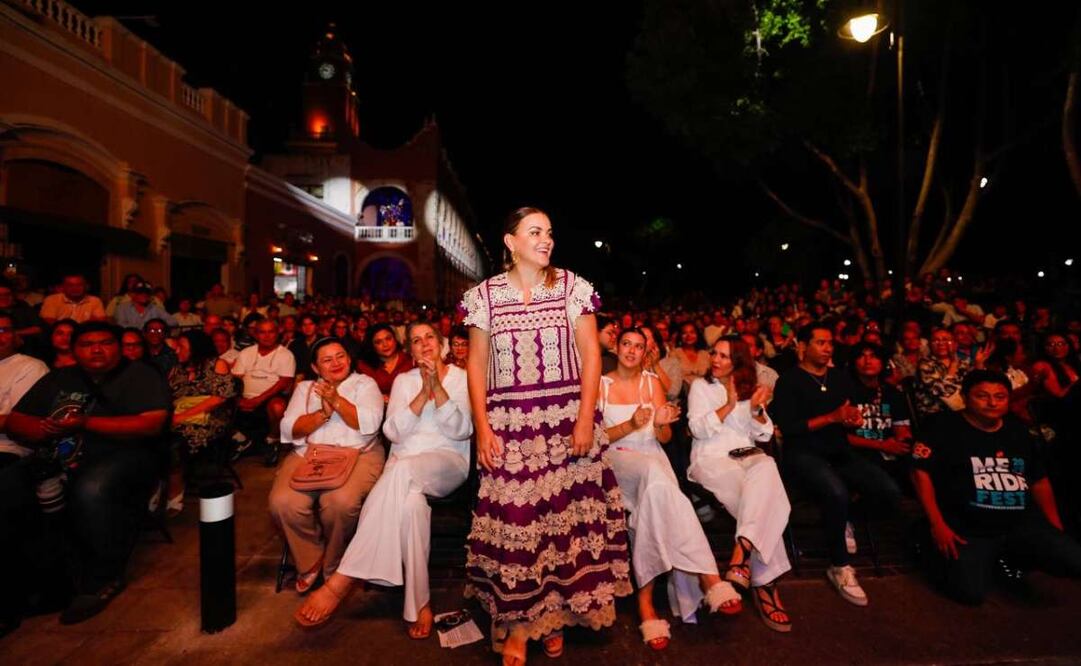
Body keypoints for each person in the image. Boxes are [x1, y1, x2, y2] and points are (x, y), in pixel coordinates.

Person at [460, 207, 631, 665]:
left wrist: (583, 419)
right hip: (510, 427)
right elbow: (476, 365)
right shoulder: (484, 297)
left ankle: (553, 619)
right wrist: (482, 427)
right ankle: (518, 625)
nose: (546, 239)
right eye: (535, 232)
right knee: (519, 525)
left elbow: (592, 357)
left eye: (550, 232)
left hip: (566, 423)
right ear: (510, 242)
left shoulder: (573, 287)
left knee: (564, 527)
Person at [295, 323, 472, 638]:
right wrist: (422, 395)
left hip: (447, 462)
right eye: (416, 340)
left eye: (430, 337)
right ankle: (419, 604)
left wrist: (439, 390)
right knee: (410, 508)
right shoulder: (404, 381)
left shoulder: (463, 378)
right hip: (403, 465)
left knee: (401, 473)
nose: (424, 343)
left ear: (443, 344)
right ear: (410, 350)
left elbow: (461, 430)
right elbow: (392, 432)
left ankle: (342, 579)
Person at [4, 321, 170, 624]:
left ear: (118, 346)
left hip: (125, 454)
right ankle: (37, 580)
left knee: (91, 489)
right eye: (87, 344)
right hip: (56, 455)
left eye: (105, 342)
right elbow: (16, 419)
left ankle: (102, 576)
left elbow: (151, 423)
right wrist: (41, 429)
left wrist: (85, 424)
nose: (96, 349)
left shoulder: (141, 375)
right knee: (10, 486)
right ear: (74, 349)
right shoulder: (60, 378)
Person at [601, 329, 732, 650]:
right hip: (615, 462)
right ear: (616, 348)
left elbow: (665, 440)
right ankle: (708, 576)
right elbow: (593, 440)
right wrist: (631, 425)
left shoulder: (651, 382)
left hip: (652, 459)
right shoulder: (601, 385)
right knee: (662, 485)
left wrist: (660, 423)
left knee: (658, 491)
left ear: (646, 352)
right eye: (626, 345)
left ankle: (645, 603)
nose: (631, 351)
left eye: (638, 347)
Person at [912, 370, 1081, 605]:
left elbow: (1039, 480)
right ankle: (934, 547)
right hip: (967, 527)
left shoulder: (1018, 432)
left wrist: (1054, 525)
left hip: (1019, 523)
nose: (992, 402)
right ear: (964, 396)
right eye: (982, 396)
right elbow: (920, 473)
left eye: (1000, 397)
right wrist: (937, 524)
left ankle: (1008, 560)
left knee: (1072, 560)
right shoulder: (942, 426)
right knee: (970, 593)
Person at [771, 323, 901, 607]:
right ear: (803, 347)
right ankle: (839, 566)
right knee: (836, 492)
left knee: (888, 491)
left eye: (830, 342)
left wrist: (852, 418)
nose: (827, 347)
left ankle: (845, 518)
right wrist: (832, 417)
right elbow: (790, 428)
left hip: (839, 450)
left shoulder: (840, 378)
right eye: (820, 342)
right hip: (803, 454)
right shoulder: (789, 381)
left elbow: (849, 411)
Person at [687, 336, 792, 632]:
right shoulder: (700, 387)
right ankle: (766, 587)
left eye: (724, 356)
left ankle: (742, 551)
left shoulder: (749, 389)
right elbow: (697, 428)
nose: (716, 360)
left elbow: (763, 434)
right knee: (765, 502)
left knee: (767, 466)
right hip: (712, 461)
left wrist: (757, 409)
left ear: (739, 362)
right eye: (714, 354)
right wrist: (730, 405)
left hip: (748, 458)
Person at [270, 338, 385, 595]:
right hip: (309, 455)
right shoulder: (305, 389)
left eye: (340, 356)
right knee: (282, 502)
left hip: (359, 453)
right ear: (315, 367)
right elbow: (290, 428)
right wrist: (323, 413)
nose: (336, 363)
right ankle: (310, 559)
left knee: (340, 503)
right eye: (327, 359)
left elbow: (369, 424)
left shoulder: (365, 384)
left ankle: (335, 566)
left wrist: (338, 401)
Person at [166, 330, 236, 515]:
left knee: (175, 440)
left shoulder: (216, 365)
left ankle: (175, 490)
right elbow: (167, 395)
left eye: (181, 346)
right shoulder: (177, 369)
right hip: (179, 415)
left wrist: (184, 415)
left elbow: (219, 398)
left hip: (209, 418)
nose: (176, 350)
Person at [356, 322, 413, 400]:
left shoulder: (410, 360)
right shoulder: (364, 366)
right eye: (378, 342)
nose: (385, 344)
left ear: (395, 339)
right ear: (372, 345)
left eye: (388, 338)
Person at [39, 274, 106, 325]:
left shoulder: (95, 300)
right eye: (70, 285)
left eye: (79, 285)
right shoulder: (52, 299)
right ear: (63, 287)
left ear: (86, 287)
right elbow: (49, 322)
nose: (75, 288)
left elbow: (100, 322)